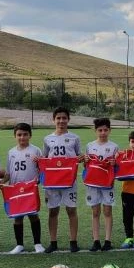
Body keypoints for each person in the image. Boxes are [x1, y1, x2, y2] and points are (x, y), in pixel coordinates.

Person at [43, 107, 83, 253]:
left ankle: (73, 241)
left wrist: (81, 158)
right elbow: (45, 159)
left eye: (64, 118)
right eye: (58, 118)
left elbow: (79, 156)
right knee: (53, 211)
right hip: (53, 182)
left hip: (69, 181)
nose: (61, 121)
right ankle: (53, 242)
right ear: (53, 120)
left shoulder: (75, 138)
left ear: (68, 119)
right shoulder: (47, 139)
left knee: (71, 210)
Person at [4, 123, 44, 253]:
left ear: (30, 135)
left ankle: (37, 243)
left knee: (33, 215)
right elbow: (8, 173)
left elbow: (43, 169)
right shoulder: (11, 152)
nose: (22, 137)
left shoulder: (35, 150)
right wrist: (1, 182)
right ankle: (19, 245)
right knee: (18, 217)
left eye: (25, 134)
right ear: (15, 136)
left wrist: (39, 172)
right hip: (15, 189)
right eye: (19, 135)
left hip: (30, 189)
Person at [85, 117, 119, 252]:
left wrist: (114, 163)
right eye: (100, 130)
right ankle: (96, 240)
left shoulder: (114, 147)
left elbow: (118, 167)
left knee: (107, 210)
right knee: (95, 211)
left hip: (107, 184)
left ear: (109, 130)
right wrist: (85, 160)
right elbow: (86, 166)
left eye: (105, 130)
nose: (103, 133)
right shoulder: (89, 146)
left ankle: (108, 240)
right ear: (95, 131)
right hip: (93, 184)